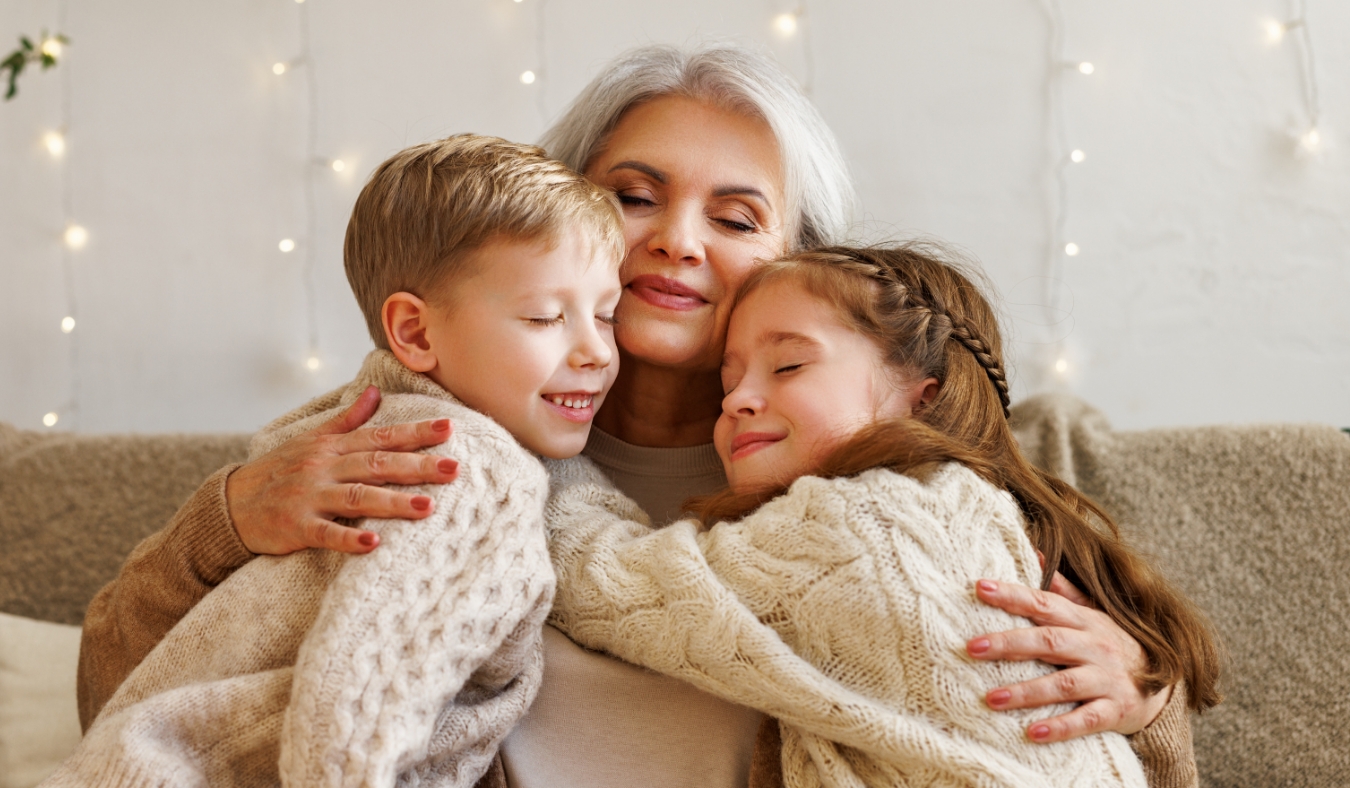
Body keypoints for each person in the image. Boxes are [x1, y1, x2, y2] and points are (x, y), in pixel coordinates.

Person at [78, 45, 1196, 788]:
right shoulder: (403, 438)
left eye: (737, 214)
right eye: (634, 194)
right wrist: (223, 521)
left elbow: (1118, 753)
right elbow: (120, 703)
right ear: (562, 212)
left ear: (803, 263)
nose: (678, 240)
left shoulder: (913, 488)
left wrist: (1140, 693)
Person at [52, 135, 624, 786]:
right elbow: (359, 711)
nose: (597, 351)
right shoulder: (475, 469)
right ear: (414, 332)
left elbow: (122, 705)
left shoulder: (333, 429)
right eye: (547, 317)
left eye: (608, 316)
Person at [542, 244, 1223, 787]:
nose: (739, 400)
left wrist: (525, 430)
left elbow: (601, 580)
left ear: (920, 399)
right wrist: (1154, 706)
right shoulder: (996, 523)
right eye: (728, 381)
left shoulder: (855, 531)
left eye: (788, 367)